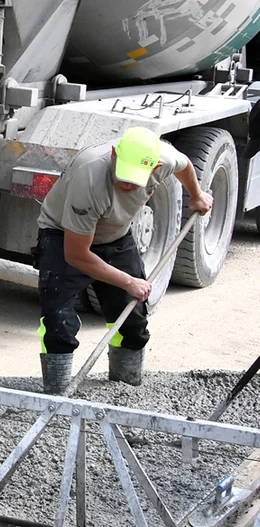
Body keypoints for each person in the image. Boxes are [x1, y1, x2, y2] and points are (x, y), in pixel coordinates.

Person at [33, 127, 213, 393]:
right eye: (124, 175)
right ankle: (57, 393)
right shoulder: (90, 175)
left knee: (132, 317)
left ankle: (125, 388)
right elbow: (77, 255)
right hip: (63, 235)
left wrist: (196, 195)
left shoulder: (164, 159)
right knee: (58, 320)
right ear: (114, 153)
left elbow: (185, 164)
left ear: (156, 168)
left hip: (115, 235)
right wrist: (129, 281)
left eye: (135, 180)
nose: (128, 185)